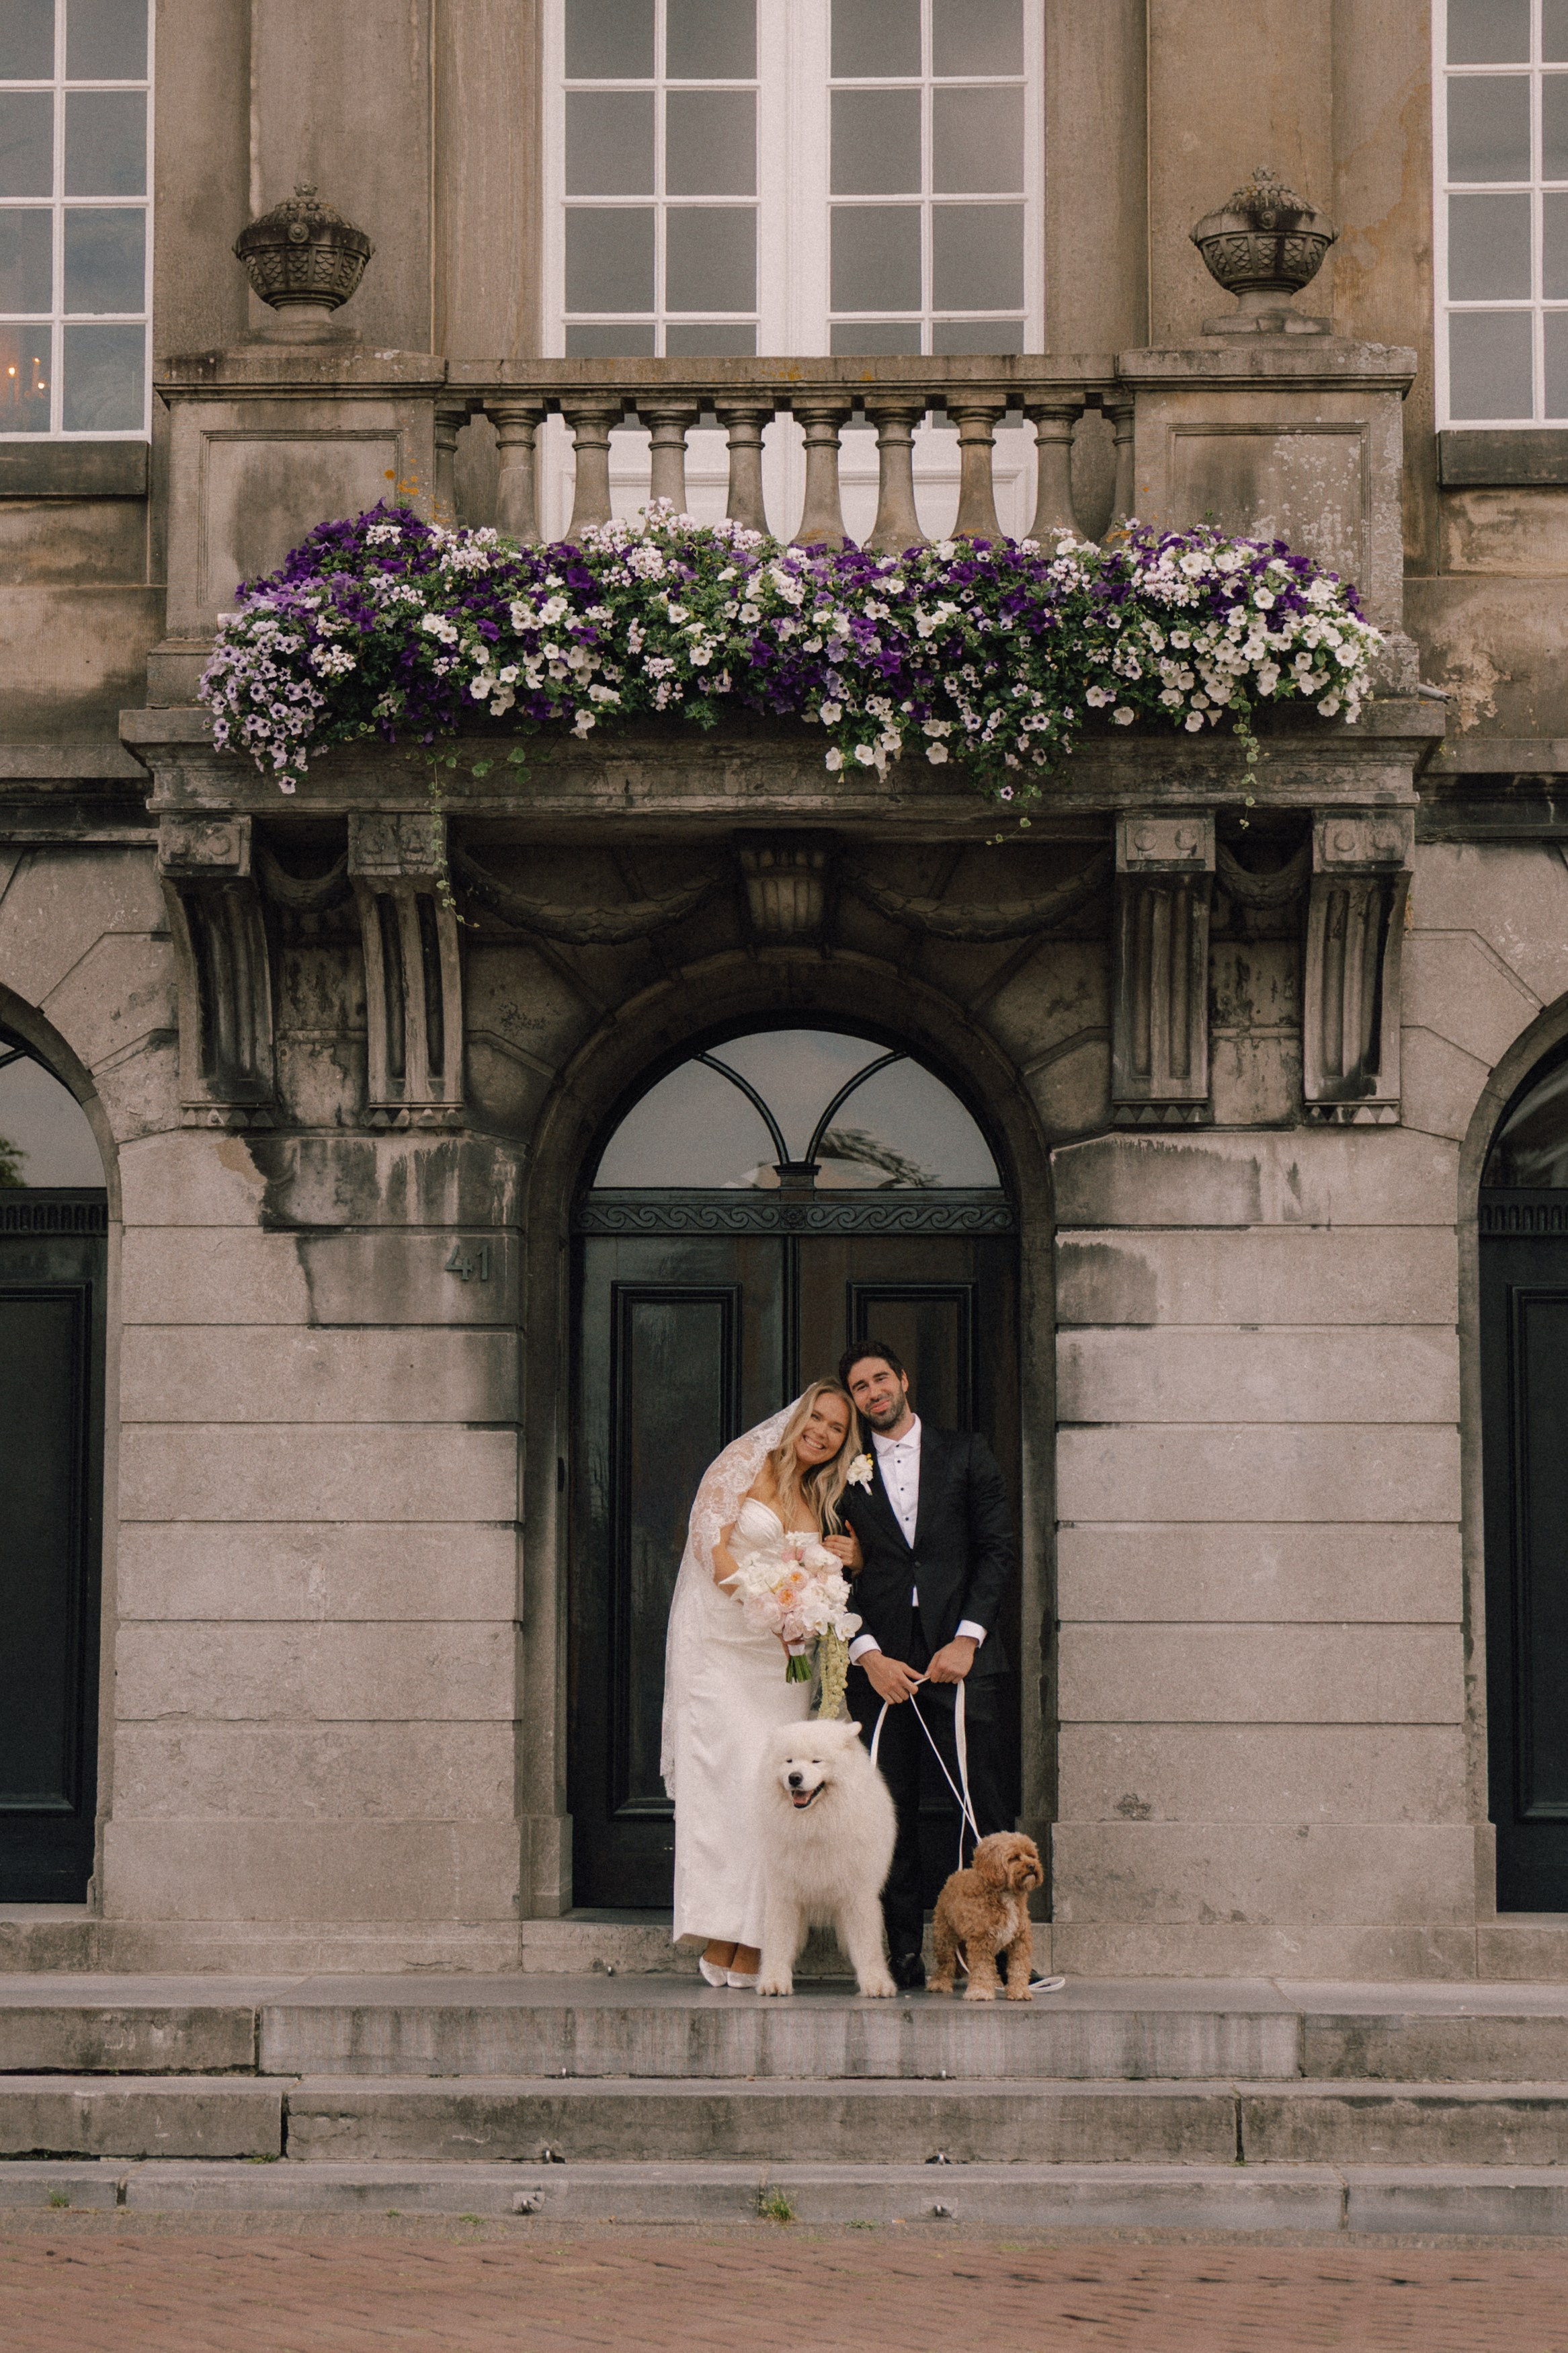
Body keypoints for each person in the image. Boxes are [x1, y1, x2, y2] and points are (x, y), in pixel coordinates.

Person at [660, 1380, 863, 1989]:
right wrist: (766, 1605)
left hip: (781, 1664)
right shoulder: (739, 1465)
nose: (823, 1434)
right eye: (818, 1419)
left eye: (836, 1430)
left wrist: (844, 1563)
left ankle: (750, 1936)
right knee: (722, 1790)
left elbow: (825, 1569)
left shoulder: (822, 1495)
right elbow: (708, 1544)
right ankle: (722, 1929)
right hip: (721, 1650)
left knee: (769, 1794)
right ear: (798, 1416)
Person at [835, 1341, 1017, 1991]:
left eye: (879, 1377)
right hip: (882, 1660)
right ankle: (898, 1951)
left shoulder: (965, 1451)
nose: (872, 1391)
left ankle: (997, 1952)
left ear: (903, 1378)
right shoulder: (841, 1470)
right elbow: (827, 1574)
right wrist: (868, 1653)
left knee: (981, 1801)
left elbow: (996, 1549)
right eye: (859, 1386)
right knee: (888, 1807)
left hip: (961, 1652)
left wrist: (967, 1638)